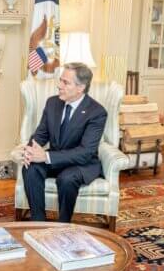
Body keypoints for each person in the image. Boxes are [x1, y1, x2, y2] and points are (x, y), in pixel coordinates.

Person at [22, 62, 108, 223]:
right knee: (31, 167)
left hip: (81, 164)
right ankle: (38, 222)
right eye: (60, 80)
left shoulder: (96, 112)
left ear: (80, 87)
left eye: (65, 82)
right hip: (56, 160)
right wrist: (30, 151)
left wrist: (46, 156)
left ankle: (63, 225)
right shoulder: (53, 103)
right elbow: (40, 135)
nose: (59, 85)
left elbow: (85, 153)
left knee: (67, 179)